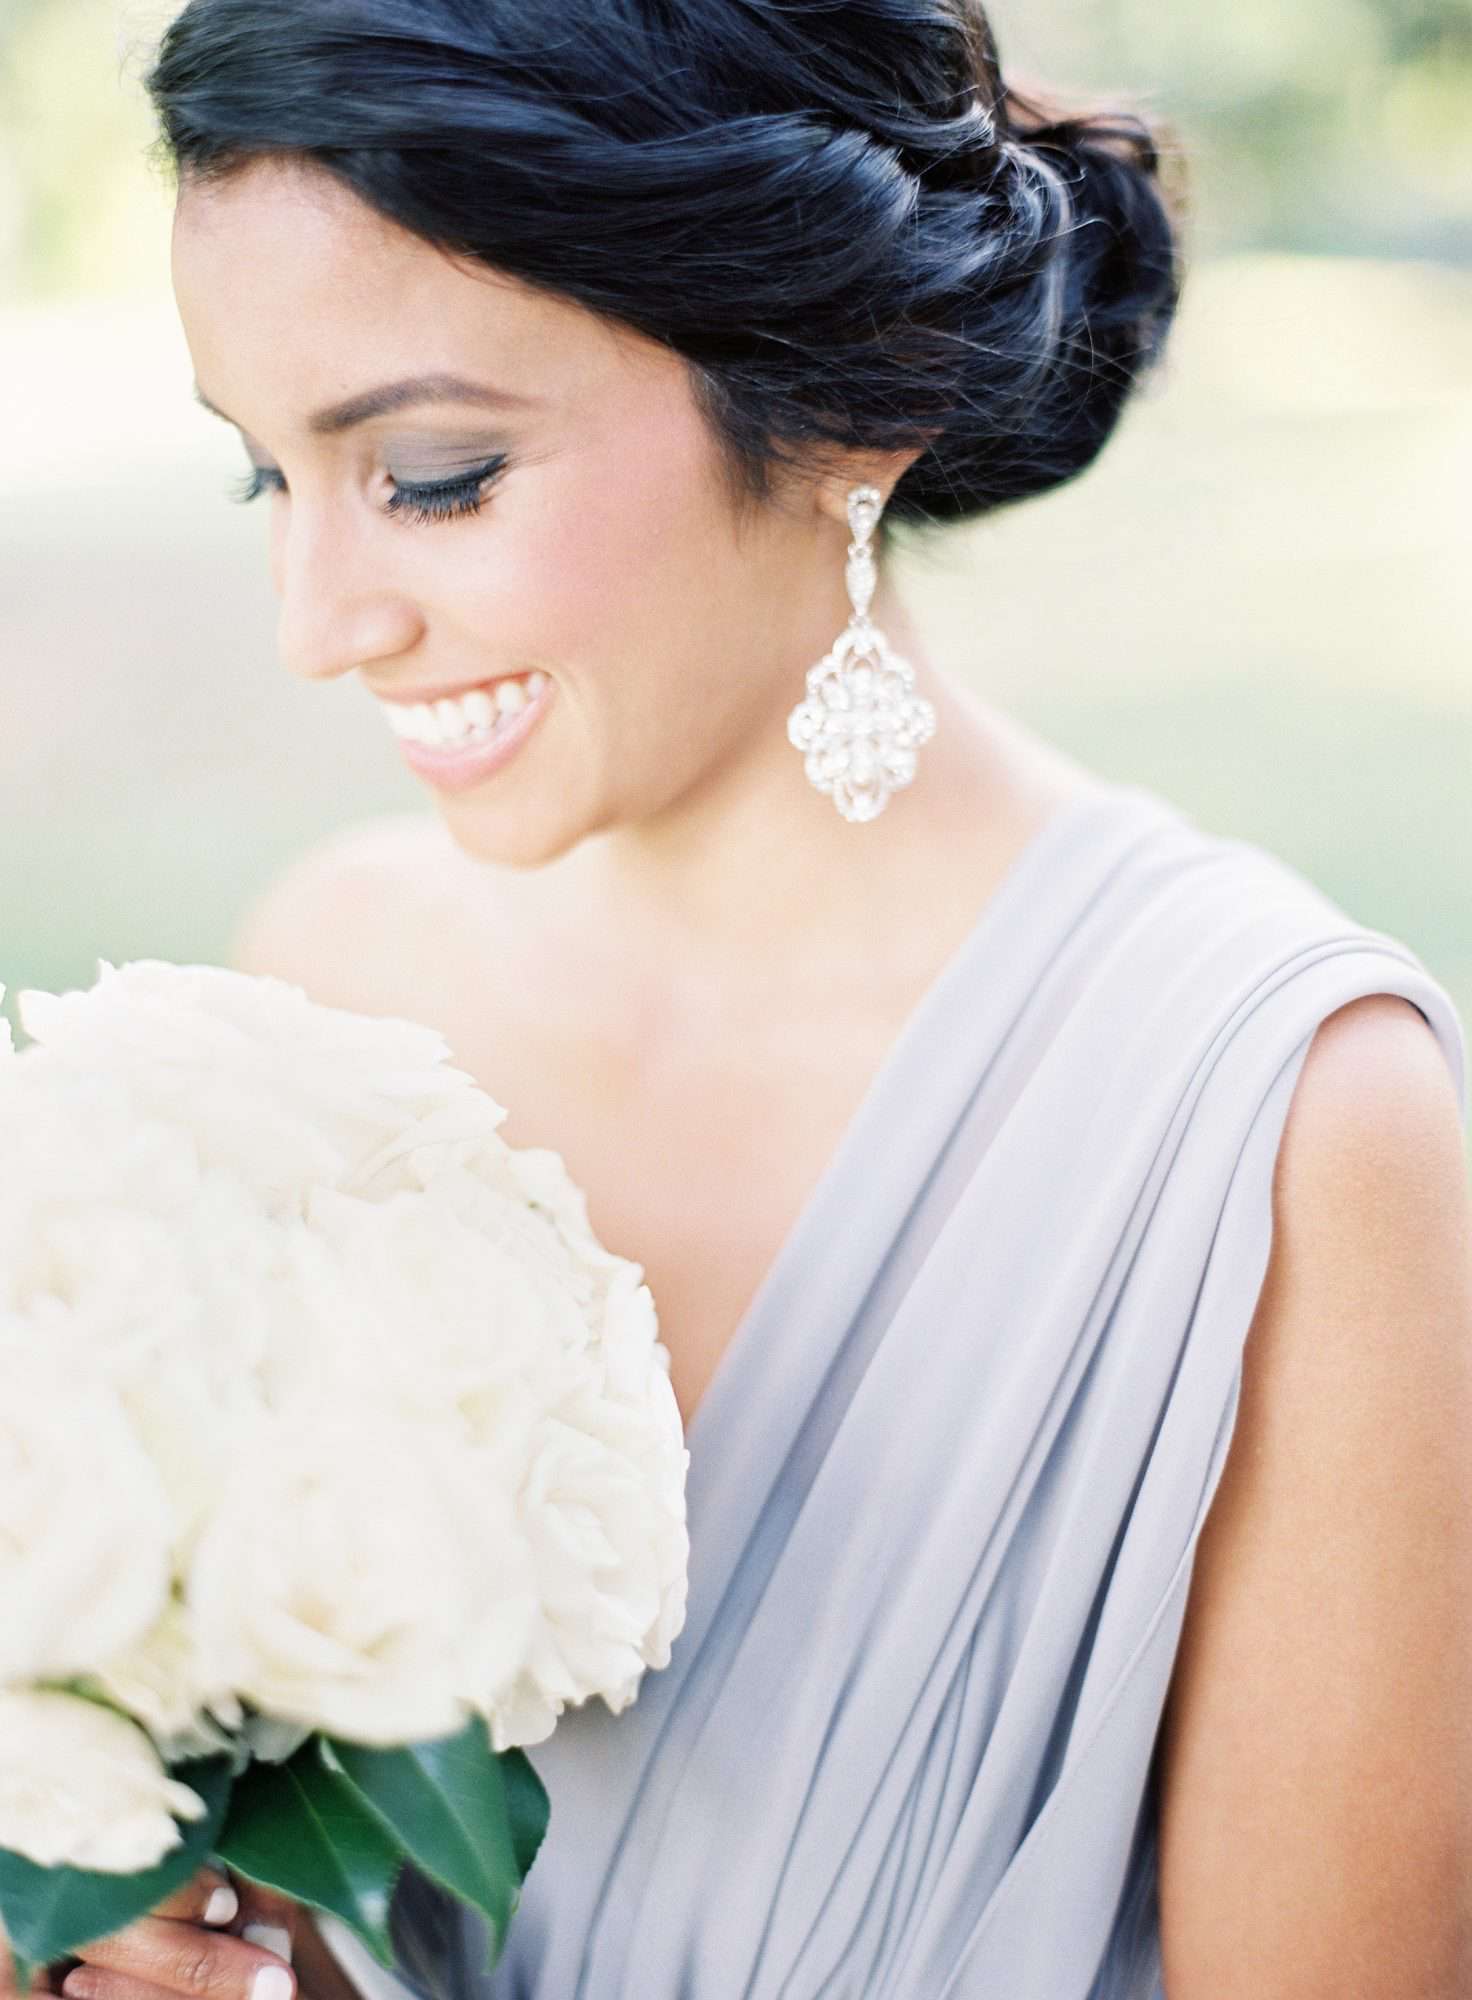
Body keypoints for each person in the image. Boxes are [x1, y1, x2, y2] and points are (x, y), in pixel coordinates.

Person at [13, 0, 1466, 1996]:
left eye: (431, 475)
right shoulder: (325, 1002)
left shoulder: (1292, 1128)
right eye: (269, 478)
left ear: (845, 399)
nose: (319, 625)